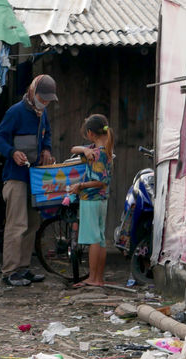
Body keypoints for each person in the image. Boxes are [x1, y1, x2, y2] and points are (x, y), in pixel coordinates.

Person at [0, 74, 57, 287]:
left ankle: (23, 267)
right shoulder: (15, 112)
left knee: (32, 223)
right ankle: (9, 271)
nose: (45, 102)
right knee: (16, 224)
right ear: (32, 91)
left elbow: (46, 136)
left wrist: (46, 149)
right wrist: (12, 152)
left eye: (48, 100)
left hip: (35, 176)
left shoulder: (42, 113)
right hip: (16, 177)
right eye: (43, 98)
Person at [69, 114, 114, 288]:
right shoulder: (103, 149)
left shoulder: (97, 153)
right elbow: (74, 149)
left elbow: (100, 181)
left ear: (90, 133)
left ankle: (93, 279)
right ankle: (98, 278)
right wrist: (84, 149)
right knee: (100, 239)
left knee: (94, 239)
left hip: (91, 198)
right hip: (102, 199)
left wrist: (80, 185)